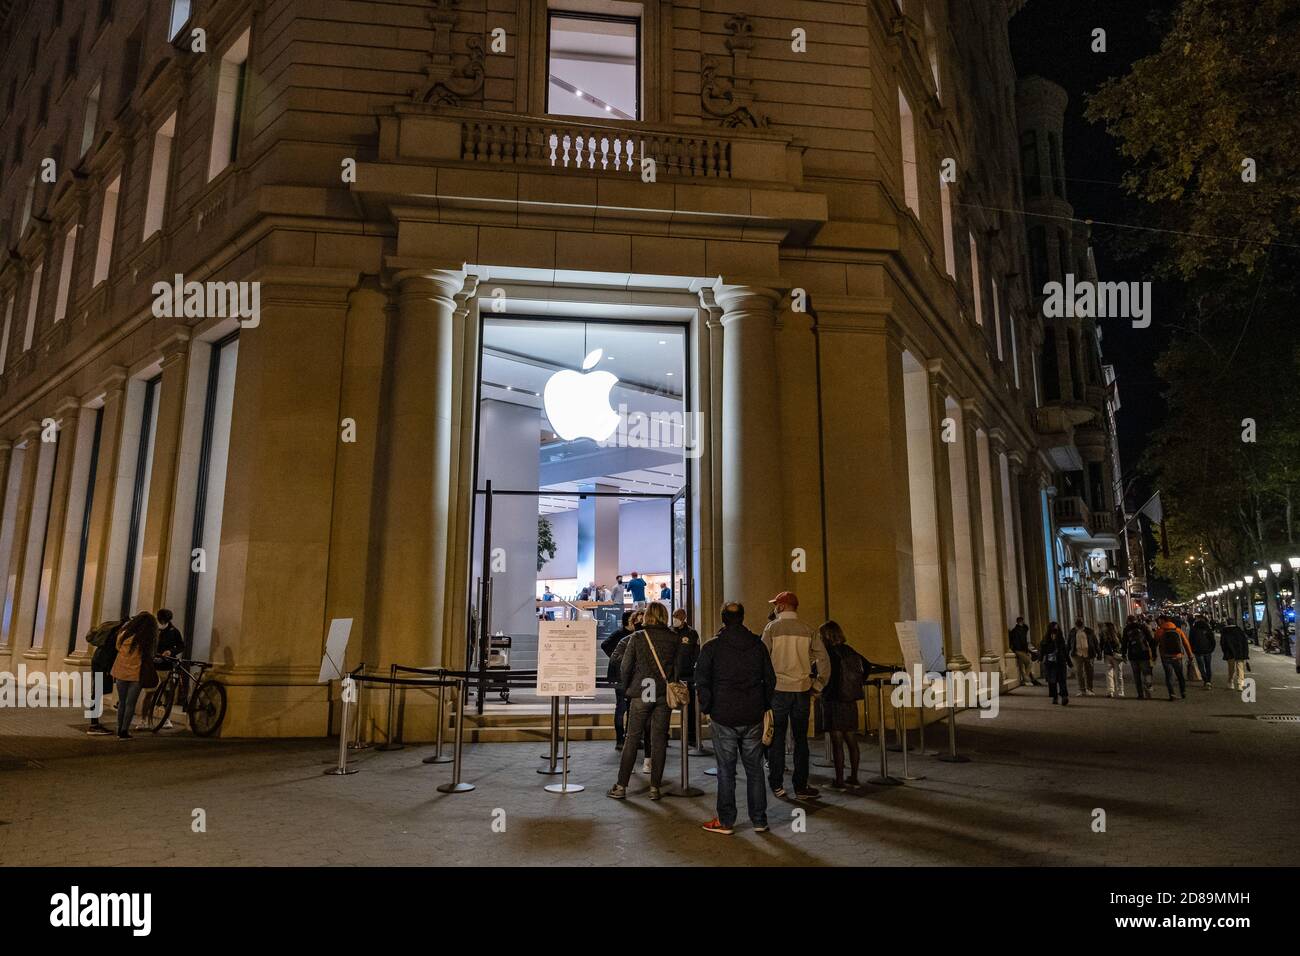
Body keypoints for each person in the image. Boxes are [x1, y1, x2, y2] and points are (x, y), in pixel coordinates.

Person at [695, 602, 776, 835]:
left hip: (723, 715)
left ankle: (726, 820)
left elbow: (703, 681)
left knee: (726, 770)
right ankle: (759, 819)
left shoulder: (713, 647)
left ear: (723, 619)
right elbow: (770, 680)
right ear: (742, 617)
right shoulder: (757, 645)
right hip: (752, 715)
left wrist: (708, 708)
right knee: (755, 770)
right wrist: (764, 705)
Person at [608, 601, 681, 801]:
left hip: (640, 692)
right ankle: (655, 788)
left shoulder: (638, 637)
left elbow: (625, 666)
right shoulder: (674, 638)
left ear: (647, 615)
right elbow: (677, 667)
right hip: (662, 694)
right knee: (658, 740)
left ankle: (621, 786)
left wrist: (628, 685)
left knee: (632, 737)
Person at [761, 591, 831, 800]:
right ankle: (801, 786)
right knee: (801, 739)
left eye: (776, 605)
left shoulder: (771, 628)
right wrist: (817, 685)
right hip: (802, 690)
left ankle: (777, 785)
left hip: (778, 690)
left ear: (781, 606)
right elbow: (824, 661)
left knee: (777, 738)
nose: (774, 608)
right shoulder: (808, 629)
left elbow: (762, 658)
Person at [816, 621, 870, 790]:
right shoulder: (850, 651)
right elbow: (866, 667)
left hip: (833, 699)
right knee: (851, 739)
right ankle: (854, 777)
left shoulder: (827, 654)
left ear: (826, 636)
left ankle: (839, 781)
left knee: (837, 741)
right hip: (850, 699)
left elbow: (821, 673)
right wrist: (855, 684)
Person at [110, 612, 159, 739]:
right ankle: (124, 731)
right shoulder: (146, 638)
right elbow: (150, 654)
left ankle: (118, 728)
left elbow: (116, 647)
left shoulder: (124, 634)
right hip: (136, 673)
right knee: (130, 703)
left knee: (121, 702)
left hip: (121, 670)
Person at [601, 611, 635, 749]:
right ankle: (620, 739)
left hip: (631, 675)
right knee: (621, 707)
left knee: (631, 708)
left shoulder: (636, 634)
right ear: (629, 621)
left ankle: (630, 738)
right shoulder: (618, 634)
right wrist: (615, 658)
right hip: (619, 675)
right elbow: (604, 645)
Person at [86, 619, 125, 735]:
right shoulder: (120, 632)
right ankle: (94, 725)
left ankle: (94, 723)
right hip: (103, 663)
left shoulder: (115, 627)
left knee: (98, 692)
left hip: (99, 660)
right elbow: (114, 651)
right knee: (97, 693)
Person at [672, 608, 701, 746]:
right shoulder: (669, 632)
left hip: (688, 675)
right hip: (672, 675)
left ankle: (692, 736)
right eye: (674, 616)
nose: (675, 619)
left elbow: (696, 653)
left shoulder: (691, 634)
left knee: (690, 708)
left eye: (678, 616)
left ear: (684, 618)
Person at [1155, 614, 1195, 701]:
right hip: (1177, 656)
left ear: (1162, 620)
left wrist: (1153, 655)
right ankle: (1183, 691)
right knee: (1180, 675)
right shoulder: (1178, 630)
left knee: (1169, 676)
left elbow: (1154, 643)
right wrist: (1190, 654)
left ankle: (1172, 694)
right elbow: (1185, 643)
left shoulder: (1159, 631)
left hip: (1165, 656)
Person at [1039, 622, 1070, 705]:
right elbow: (1043, 650)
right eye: (1054, 629)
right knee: (1052, 681)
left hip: (1060, 662)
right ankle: (1054, 696)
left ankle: (1064, 696)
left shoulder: (1061, 639)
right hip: (1050, 664)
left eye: (1056, 629)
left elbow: (1065, 651)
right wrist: (1040, 658)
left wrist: (1069, 662)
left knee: (1062, 680)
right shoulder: (1046, 639)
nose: (1055, 630)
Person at [1122, 615, 1153, 700]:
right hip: (1144, 654)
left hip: (1133, 655)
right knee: (1147, 674)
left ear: (1128, 621)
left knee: (1136, 675)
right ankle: (1148, 691)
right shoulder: (1143, 627)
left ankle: (1140, 694)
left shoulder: (1126, 629)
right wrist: (1153, 653)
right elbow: (1150, 640)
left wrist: (1123, 654)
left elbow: (1124, 643)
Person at [1068, 618, 1099, 696]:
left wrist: (1098, 653)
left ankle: (1089, 689)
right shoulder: (1072, 632)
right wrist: (1066, 653)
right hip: (1077, 654)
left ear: (1083, 623)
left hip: (1089, 654)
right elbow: (1068, 643)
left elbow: (1095, 642)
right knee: (1079, 672)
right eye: (1077, 623)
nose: (1079, 624)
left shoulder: (1089, 631)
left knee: (1089, 672)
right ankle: (1081, 690)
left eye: (1080, 623)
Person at [1220, 619, 1250, 691]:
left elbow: (1222, 643)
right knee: (1240, 668)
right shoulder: (1239, 631)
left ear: (1227, 623)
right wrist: (1245, 653)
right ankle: (1240, 684)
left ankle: (1230, 682)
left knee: (1231, 668)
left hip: (1229, 652)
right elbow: (1244, 642)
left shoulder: (1225, 631)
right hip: (1240, 652)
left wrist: (1225, 651)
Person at [1008, 616, 1039, 686]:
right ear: (1021, 622)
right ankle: (1026, 679)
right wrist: (1026, 650)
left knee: (1022, 666)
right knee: (1029, 662)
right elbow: (1022, 641)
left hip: (1019, 650)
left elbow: (1026, 628)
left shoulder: (1017, 630)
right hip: (1019, 650)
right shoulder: (1020, 630)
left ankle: (1028, 679)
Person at [1189, 614, 1216, 689]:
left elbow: (1190, 640)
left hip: (1198, 651)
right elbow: (1212, 640)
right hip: (1207, 650)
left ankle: (1205, 680)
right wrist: (1211, 648)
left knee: (1201, 666)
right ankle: (1209, 681)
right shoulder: (1207, 628)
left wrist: (1192, 649)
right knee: (1208, 666)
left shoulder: (1193, 629)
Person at [1099, 620, 1125, 698]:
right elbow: (1122, 644)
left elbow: (1101, 645)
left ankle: (1110, 691)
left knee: (1109, 674)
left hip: (1108, 655)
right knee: (1118, 674)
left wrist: (1100, 653)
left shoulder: (1103, 635)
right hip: (1116, 655)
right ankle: (1120, 691)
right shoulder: (1117, 633)